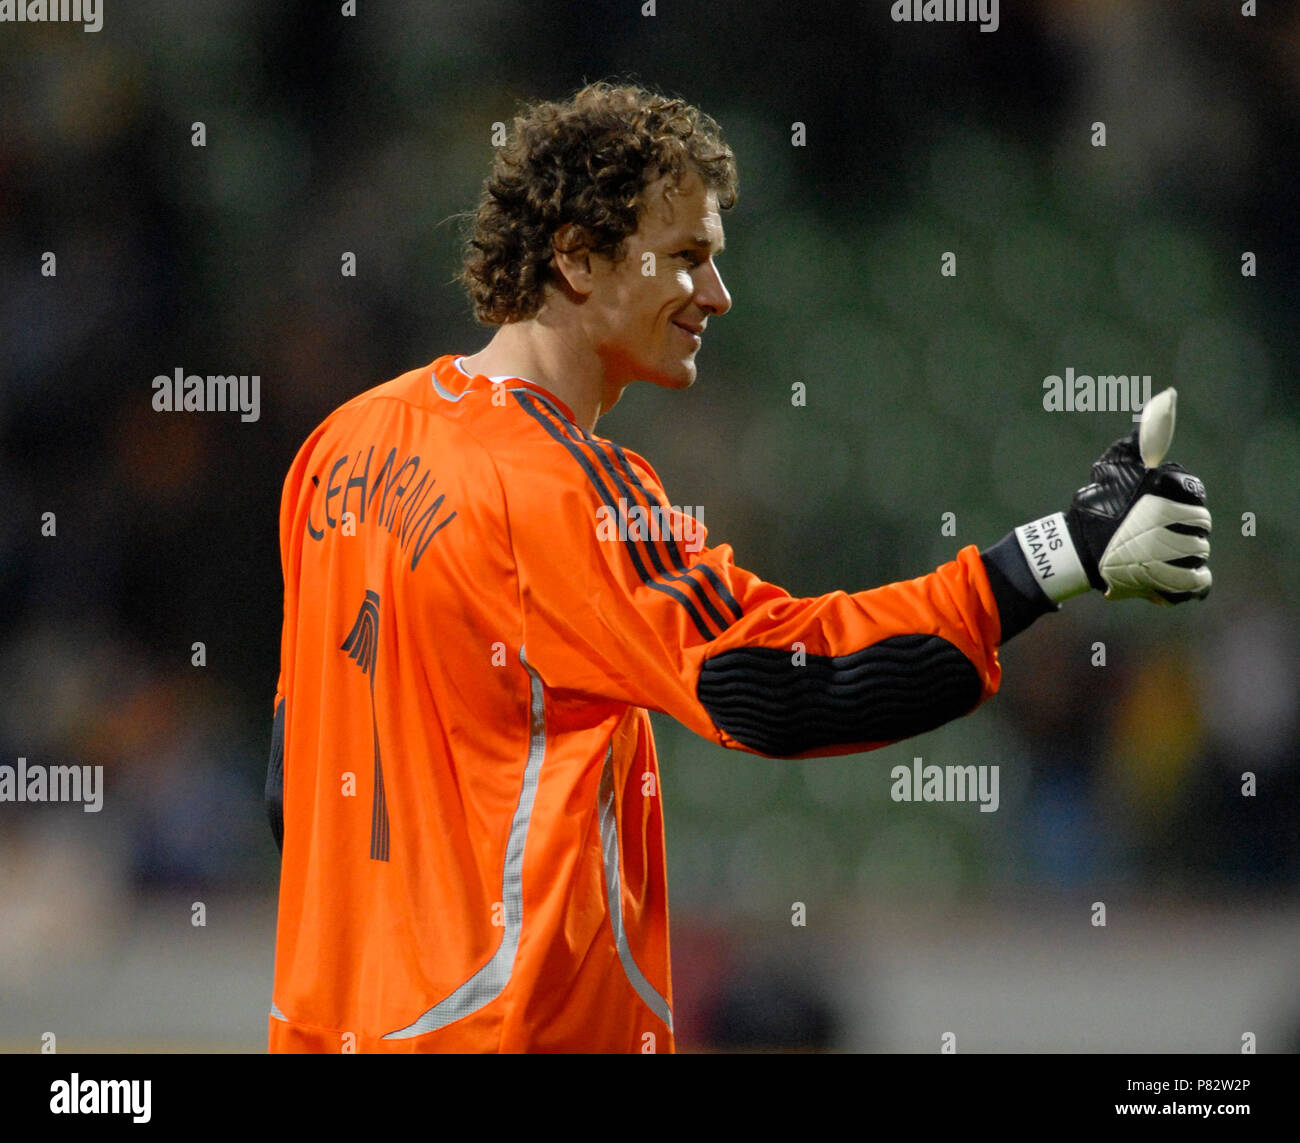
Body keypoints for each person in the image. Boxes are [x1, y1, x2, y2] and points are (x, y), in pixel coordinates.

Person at [264, 81, 1211, 1053]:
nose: (717, 296)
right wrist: (1050, 560)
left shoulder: (342, 444)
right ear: (579, 259)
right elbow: (781, 684)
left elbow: (292, 794)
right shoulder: (563, 487)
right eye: (686, 259)